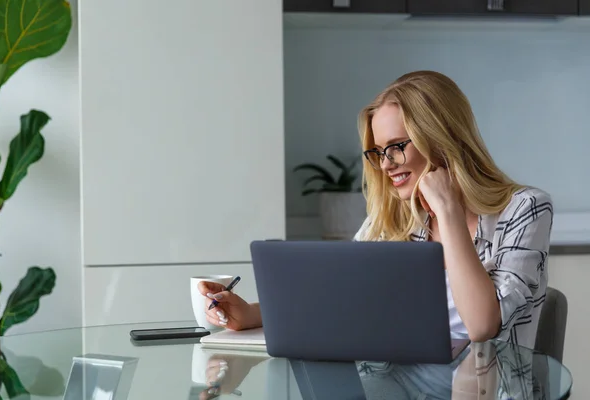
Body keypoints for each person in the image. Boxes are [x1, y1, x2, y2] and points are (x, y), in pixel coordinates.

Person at [197, 70, 552, 352]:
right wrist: (250, 314)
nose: (386, 165)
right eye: (378, 152)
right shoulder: (393, 218)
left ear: (441, 137)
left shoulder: (524, 209)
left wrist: (447, 210)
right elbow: (335, 295)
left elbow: (482, 325)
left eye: (396, 147)